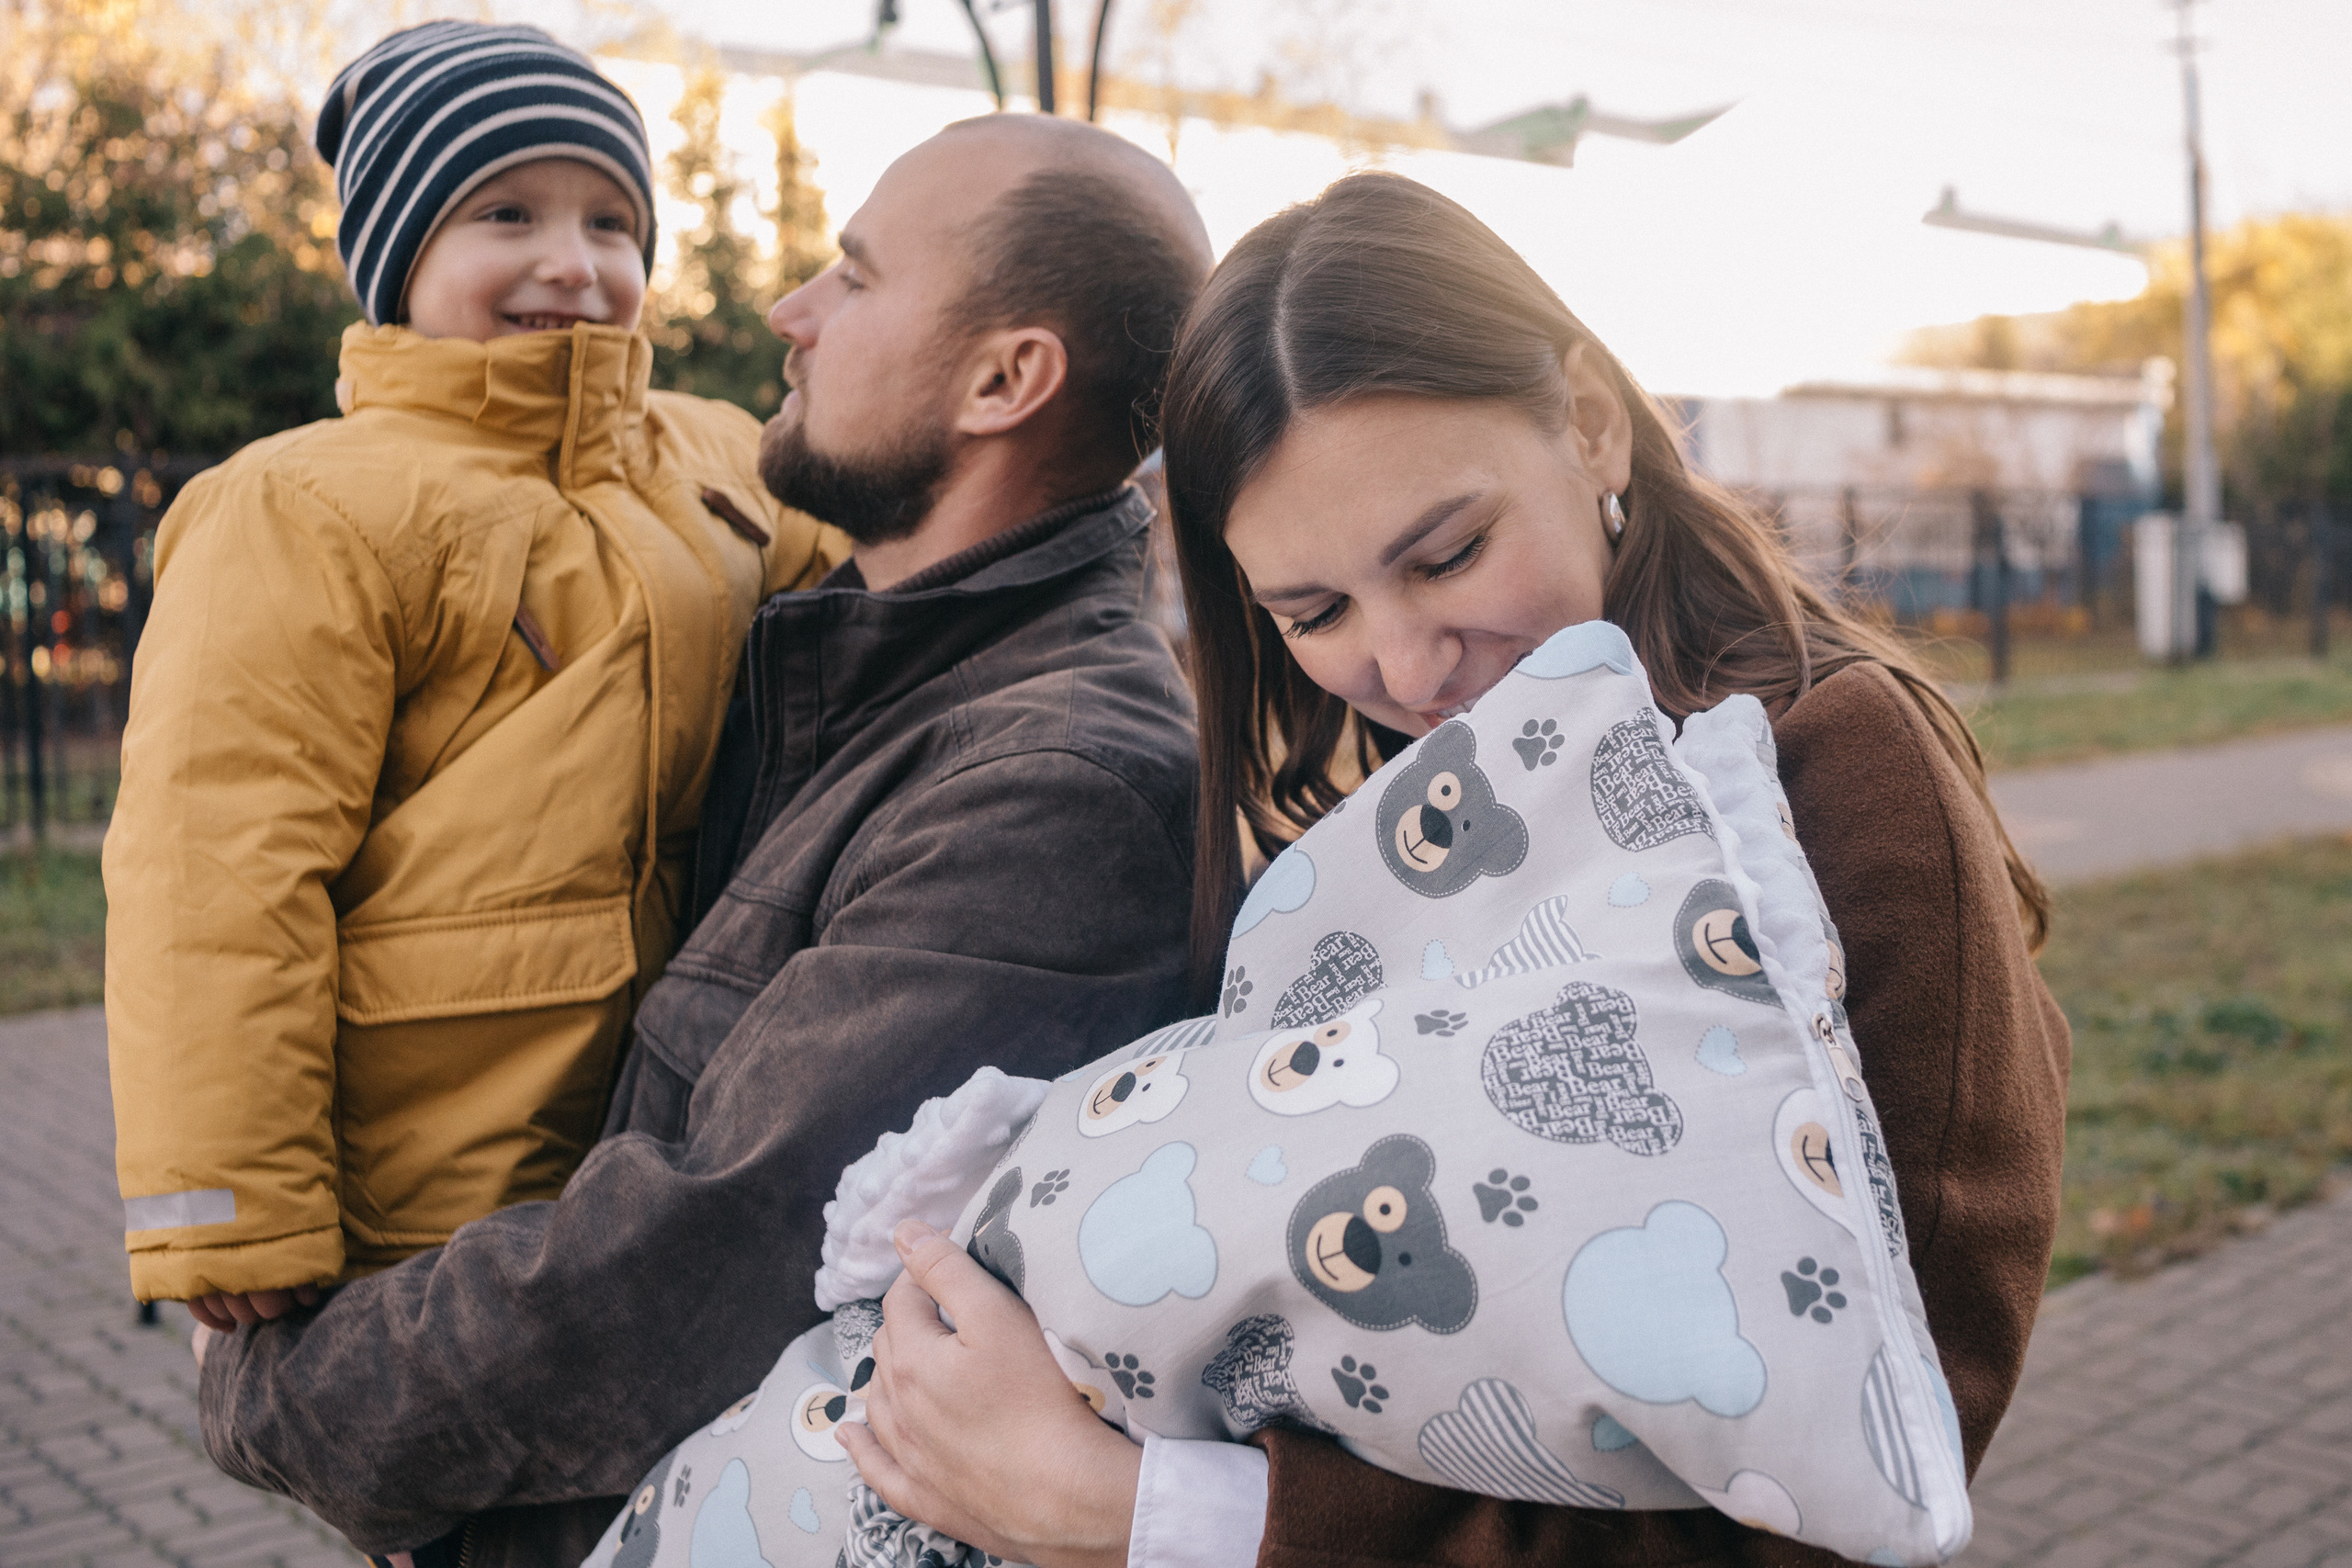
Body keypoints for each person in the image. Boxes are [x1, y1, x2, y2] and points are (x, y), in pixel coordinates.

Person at [842, 172, 2071, 1568]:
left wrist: (1165, 1522)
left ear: (1594, 425)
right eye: (1311, 612)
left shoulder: (1822, 765)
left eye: (1450, 553)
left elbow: (1855, 1486)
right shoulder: (1364, 802)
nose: (1408, 666)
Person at [195, 112, 1216, 1568]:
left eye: (853, 280)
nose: (789, 316)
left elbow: (705, 1257)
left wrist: (281, 1394)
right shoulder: (830, 657)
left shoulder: (1061, 782)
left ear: (1005, 379)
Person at [106, 20, 839, 1335]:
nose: (573, 261)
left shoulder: (718, 461)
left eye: (612, 222)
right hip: (440, 1173)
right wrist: (229, 1206)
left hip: (693, 1128)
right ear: (399, 254)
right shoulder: (301, 505)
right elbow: (214, 869)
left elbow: (896, 569)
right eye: (506, 212)